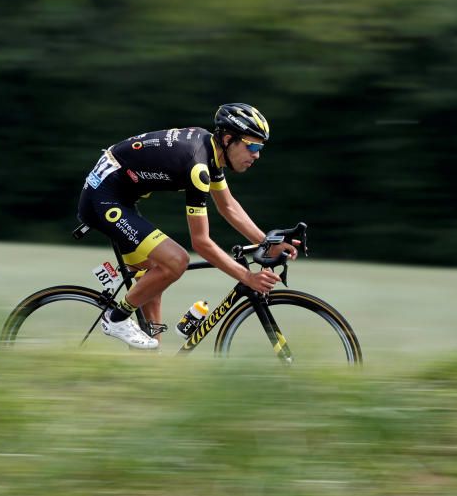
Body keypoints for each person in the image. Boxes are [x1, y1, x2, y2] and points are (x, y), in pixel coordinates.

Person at [77, 103, 299, 349]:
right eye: (252, 145)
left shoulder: (211, 153)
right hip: (103, 198)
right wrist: (246, 276)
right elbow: (201, 243)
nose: (257, 154)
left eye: (260, 147)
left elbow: (229, 207)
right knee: (176, 261)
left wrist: (267, 244)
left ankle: (147, 369)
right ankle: (116, 318)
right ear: (228, 139)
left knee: (153, 285)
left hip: (122, 198)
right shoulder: (198, 166)